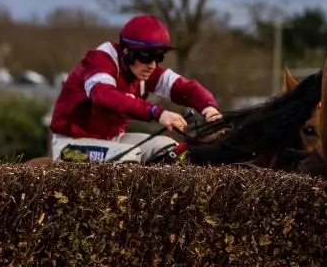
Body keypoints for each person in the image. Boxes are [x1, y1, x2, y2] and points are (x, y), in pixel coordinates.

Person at [48, 14, 223, 163]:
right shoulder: (99, 61)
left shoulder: (145, 71)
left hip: (113, 140)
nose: (152, 65)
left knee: (171, 149)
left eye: (158, 58)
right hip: (70, 146)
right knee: (128, 157)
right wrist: (157, 113)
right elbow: (105, 96)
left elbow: (186, 88)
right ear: (126, 52)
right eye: (147, 57)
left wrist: (209, 107)